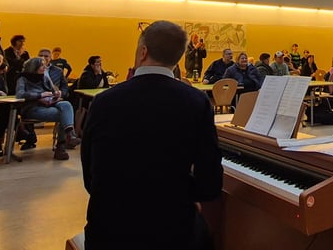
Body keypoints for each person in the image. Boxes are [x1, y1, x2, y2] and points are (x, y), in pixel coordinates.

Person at [81, 21, 222, 249]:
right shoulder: (197, 102)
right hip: (173, 230)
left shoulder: (103, 102)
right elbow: (210, 183)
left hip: (108, 230)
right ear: (178, 58)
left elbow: (90, 177)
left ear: (143, 51)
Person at [16, 57, 80, 160]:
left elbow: (53, 89)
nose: (45, 67)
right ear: (34, 67)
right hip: (33, 108)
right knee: (63, 115)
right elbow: (20, 94)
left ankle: (70, 134)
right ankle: (61, 146)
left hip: (50, 103)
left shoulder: (44, 77)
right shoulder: (22, 78)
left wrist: (56, 93)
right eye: (42, 65)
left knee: (66, 104)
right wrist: (40, 95)